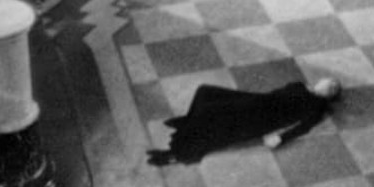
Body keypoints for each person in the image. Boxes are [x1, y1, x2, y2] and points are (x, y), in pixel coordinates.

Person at [147, 78, 342, 166]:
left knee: (212, 118)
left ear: (330, 94)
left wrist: (280, 138)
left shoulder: (317, 107)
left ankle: (175, 153)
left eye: (330, 87)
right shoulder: (300, 85)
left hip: (262, 119)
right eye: (326, 82)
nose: (325, 84)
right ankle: (188, 123)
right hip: (256, 101)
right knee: (206, 92)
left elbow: (303, 128)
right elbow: (279, 91)